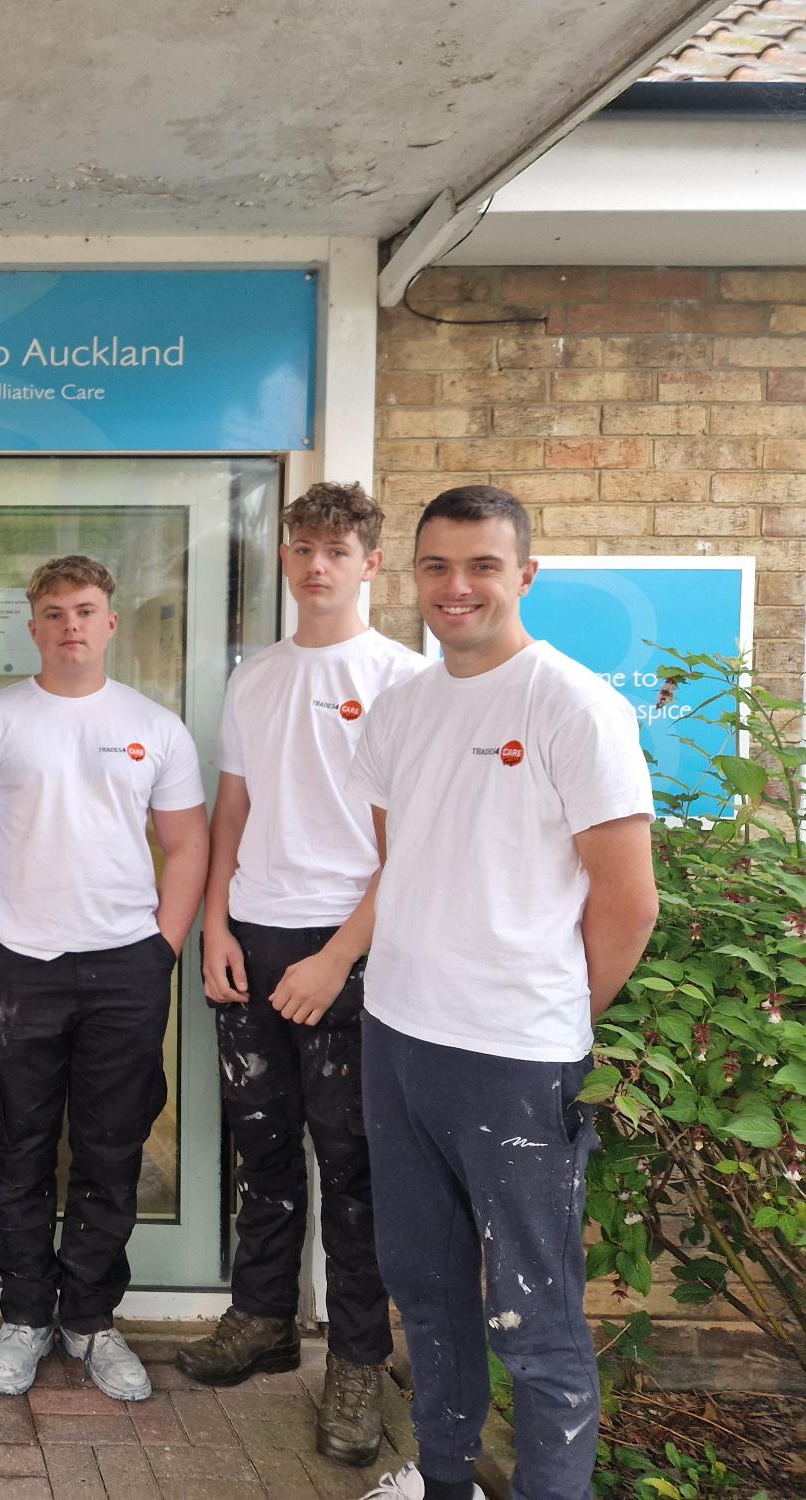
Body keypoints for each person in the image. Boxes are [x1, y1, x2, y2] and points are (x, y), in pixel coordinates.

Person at [350, 486, 657, 1500]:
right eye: (436, 566)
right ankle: (445, 1485)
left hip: (512, 1061)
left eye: (480, 565)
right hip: (396, 1039)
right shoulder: (399, 706)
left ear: (523, 574)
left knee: (534, 1324)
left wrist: (547, 1015)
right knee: (427, 1300)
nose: (456, 586)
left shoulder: (571, 705)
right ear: (413, 578)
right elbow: (402, 865)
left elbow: (626, 903)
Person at [178, 481, 425, 1466]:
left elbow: (408, 840)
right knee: (262, 1151)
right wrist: (214, 923)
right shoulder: (254, 678)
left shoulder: (403, 680)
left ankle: (357, 1360)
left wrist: (337, 956)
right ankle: (260, 1317)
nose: (313, 565)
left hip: (349, 952)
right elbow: (229, 810)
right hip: (254, 938)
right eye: (300, 548)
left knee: (352, 1169)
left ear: (369, 563)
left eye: (334, 550)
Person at [0, 555, 210, 1403]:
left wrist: (162, 946)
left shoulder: (155, 727)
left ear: (111, 620)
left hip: (126, 964)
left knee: (111, 1148)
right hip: (20, 963)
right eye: (53, 612)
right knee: (18, 1148)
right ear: (33, 625)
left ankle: (90, 1320)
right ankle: (24, 1315)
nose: (71, 626)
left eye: (86, 610)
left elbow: (188, 843)